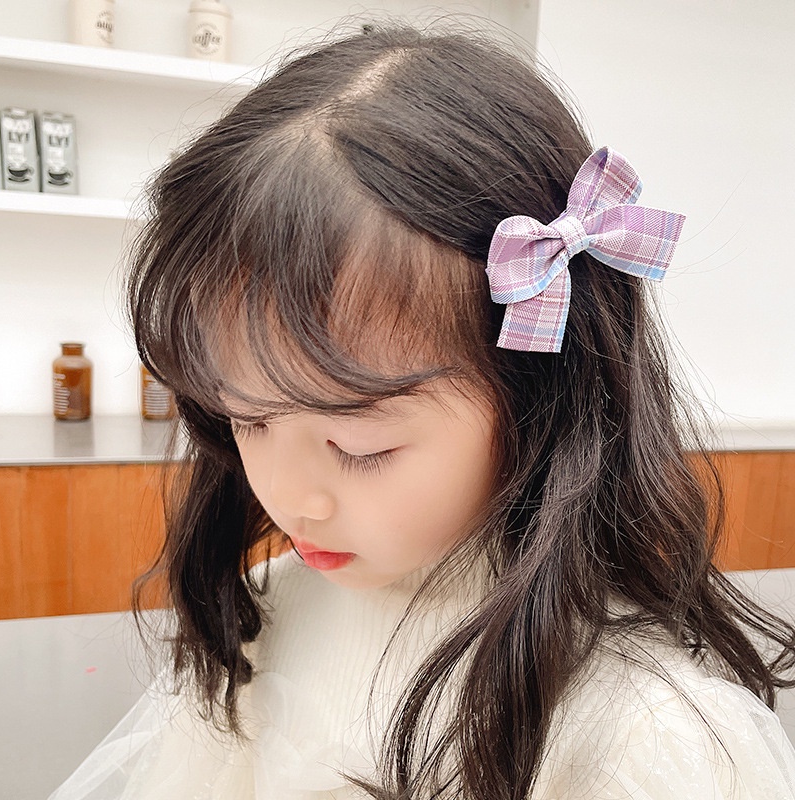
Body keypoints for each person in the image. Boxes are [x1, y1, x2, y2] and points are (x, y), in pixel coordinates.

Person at [51, 23, 795, 800]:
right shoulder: (272, 609)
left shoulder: (644, 733)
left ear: (537, 399)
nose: (290, 497)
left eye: (359, 446)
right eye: (247, 420)